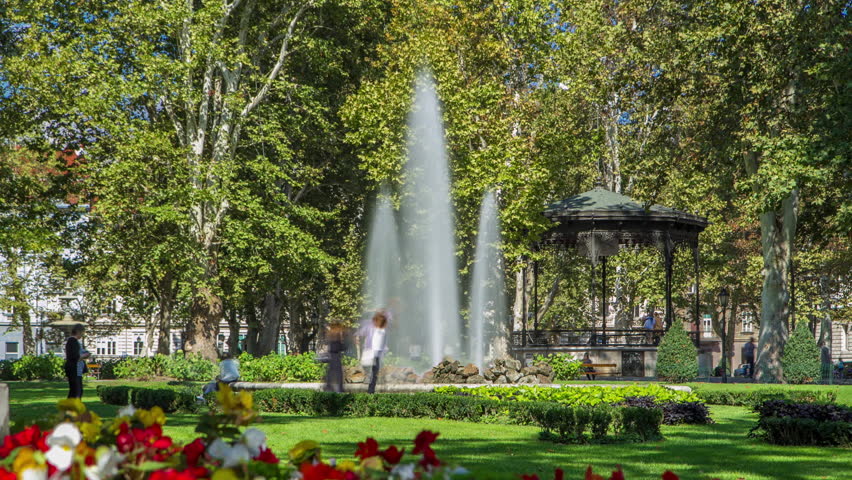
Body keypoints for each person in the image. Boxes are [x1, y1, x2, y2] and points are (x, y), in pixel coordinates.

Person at [64, 324, 90, 399]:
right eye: (82, 332)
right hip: (74, 370)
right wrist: (84, 356)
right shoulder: (72, 341)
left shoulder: (76, 342)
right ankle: (73, 407)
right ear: (78, 331)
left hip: (77, 370)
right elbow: (74, 357)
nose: (82, 335)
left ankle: (72, 407)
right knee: (76, 391)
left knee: (77, 390)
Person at [367, 311, 388, 394]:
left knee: (374, 373)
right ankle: (371, 390)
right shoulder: (380, 331)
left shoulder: (378, 331)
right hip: (376, 355)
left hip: (375, 355)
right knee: (374, 374)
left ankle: (371, 390)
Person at [323, 323, 346, 393]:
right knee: (338, 372)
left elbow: (327, 341)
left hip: (333, 353)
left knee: (331, 371)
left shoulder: (331, 332)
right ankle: (339, 388)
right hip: (335, 353)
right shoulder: (336, 332)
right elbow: (339, 343)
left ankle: (329, 386)